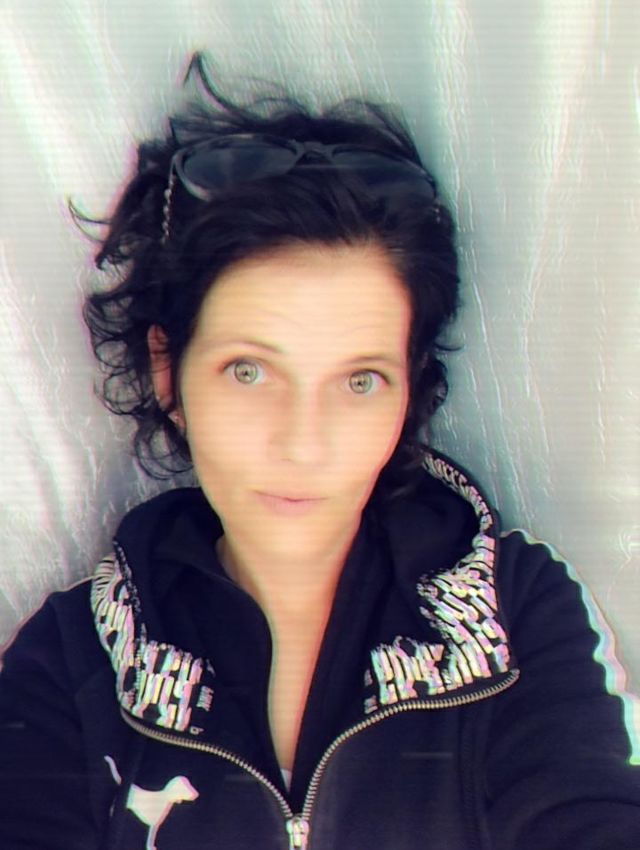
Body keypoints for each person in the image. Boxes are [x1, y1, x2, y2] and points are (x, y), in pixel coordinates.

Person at [0, 53, 639, 850]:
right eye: (249, 371)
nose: (303, 442)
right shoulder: (70, 661)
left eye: (360, 381)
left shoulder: (516, 614)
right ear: (169, 372)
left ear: (411, 390)